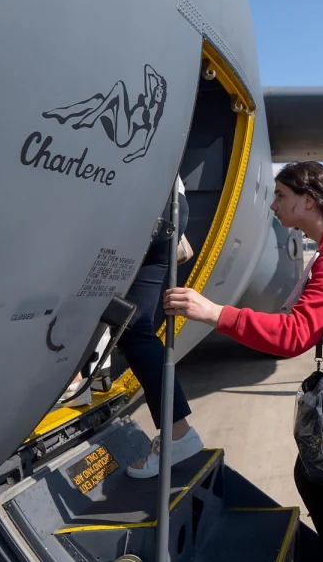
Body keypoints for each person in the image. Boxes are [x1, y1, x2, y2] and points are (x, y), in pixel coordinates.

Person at [165, 162, 323, 562]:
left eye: (281, 196)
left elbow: (295, 333)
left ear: (309, 200)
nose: (272, 205)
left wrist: (215, 314)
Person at [121, 176, 204, 477]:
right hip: (173, 208)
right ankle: (178, 433)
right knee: (136, 329)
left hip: (136, 201)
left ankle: (77, 378)